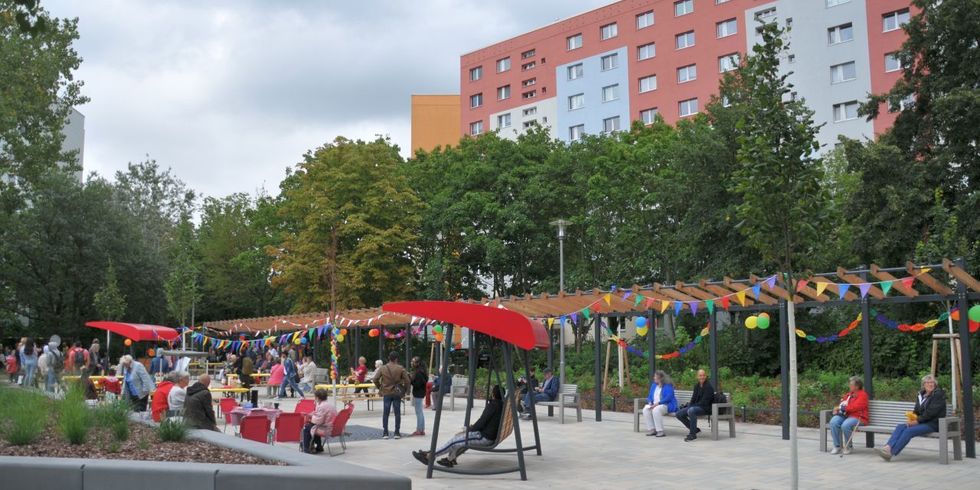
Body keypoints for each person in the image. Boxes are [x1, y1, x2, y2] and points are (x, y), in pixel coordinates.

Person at [413, 385, 504, 468]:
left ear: (493, 394)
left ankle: (429, 456)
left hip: (484, 437)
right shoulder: (500, 405)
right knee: (457, 437)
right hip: (487, 435)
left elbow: (481, 422)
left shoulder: (493, 406)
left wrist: (470, 429)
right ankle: (449, 459)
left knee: (454, 442)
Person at [878, 374, 947, 461]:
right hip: (922, 422)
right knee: (901, 426)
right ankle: (888, 447)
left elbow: (931, 413)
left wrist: (916, 421)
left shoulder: (938, 395)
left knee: (909, 431)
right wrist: (912, 416)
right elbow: (917, 410)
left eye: (932, 382)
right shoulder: (921, 395)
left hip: (933, 424)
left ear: (935, 384)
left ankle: (891, 453)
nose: (930, 384)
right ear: (923, 385)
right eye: (928, 382)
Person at [374, 351, 411, 439]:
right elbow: (408, 381)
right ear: (396, 359)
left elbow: (375, 379)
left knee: (385, 413)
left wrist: (380, 388)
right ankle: (397, 433)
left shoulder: (382, 368)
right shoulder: (400, 368)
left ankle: (385, 432)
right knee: (397, 413)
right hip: (397, 393)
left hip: (386, 393)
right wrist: (405, 390)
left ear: (389, 358)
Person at [828, 376, 869, 454]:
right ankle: (837, 446)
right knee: (833, 422)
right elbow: (843, 404)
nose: (849, 386)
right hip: (846, 415)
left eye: (851, 385)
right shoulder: (849, 394)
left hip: (858, 417)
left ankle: (848, 446)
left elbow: (856, 407)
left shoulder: (863, 395)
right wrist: (838, 409)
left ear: (857, 386)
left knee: (845, 425)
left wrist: (842, 408)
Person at [676, 369, 715, 442]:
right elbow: (693, 399)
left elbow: (704, 402)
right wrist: (690, 405)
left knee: (691, 410)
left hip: (705, 408)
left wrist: (691, 407)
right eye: (700, 375)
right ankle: (695, 429)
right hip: (696, 406)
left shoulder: (709, 387)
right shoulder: (696, 386)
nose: (702, 377)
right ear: (697, 376)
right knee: (679, 414)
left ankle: (692, 434)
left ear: (706, 376)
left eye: (703, 375)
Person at [302, 388, 338, 454]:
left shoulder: (322, 406)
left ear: (317, 397)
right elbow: (320, 415)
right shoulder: (329, 405)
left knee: (307, 427)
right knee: (312, 426)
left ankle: (306, 448)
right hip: (332, 427)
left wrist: (310, 417)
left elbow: (317, 421)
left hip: (326, 429)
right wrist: (312, 415)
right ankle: (319, 446)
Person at [642, 370, 677, 437]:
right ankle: (652, 429)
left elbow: (669, 397)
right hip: (654, 404)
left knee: (656, 409)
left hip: (665, 405)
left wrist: (658, 403)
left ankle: (660, 431)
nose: (654, 378)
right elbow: (649, 396)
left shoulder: (668, 385)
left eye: (655, 376)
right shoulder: (654, 385)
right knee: (645, 409)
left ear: (660, 378)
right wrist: (650, 402)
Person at [410, 356, 427, 436]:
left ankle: (419, 430)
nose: (412, 363)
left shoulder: (419, 372)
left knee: (419, 412)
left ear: (418, 363)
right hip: (421, 393)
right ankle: (422, 429)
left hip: (418, 393)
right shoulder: (422, 371)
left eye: (413, 361)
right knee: (420, 412)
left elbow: (417, 384)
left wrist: (410, 380)